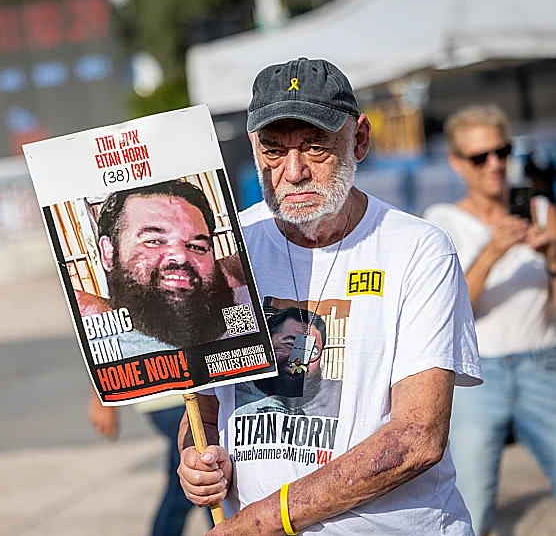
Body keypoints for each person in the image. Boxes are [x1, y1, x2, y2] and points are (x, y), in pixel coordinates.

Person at [176, 57, 482, 535]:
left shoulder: (417, 249)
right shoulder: (229, 248)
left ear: (359, 139)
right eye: (273, 150)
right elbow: (207, 407)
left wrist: (263, 520)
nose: (293, 172)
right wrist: (197, 460)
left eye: (315, 147)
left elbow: (417, 438)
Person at [423, 104, 556, 536]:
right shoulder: (441, 221)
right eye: (480, 157)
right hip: (478, 377)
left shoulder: (540, 209)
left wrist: (553, 258)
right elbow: (448, 307)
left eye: (502, 151)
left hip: (543, 364)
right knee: (471, 508)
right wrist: (494, 251)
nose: (495, 164)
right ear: (457, 163)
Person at [77, 180, 253, 358]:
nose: (181, 256)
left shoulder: (245, 309)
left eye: (196, 246)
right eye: (154, 241)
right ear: (109, 253)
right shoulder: (90, 347)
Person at [88, 393, 214, 536]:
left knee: (198, 483)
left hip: (194, 396)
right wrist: (101, 399)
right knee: (204, 482)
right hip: (170, 399)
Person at [235, 306, 342, 418]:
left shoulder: (341, 398)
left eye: (312, 351)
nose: (300, 360)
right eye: (290, 344)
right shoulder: (236, 395)